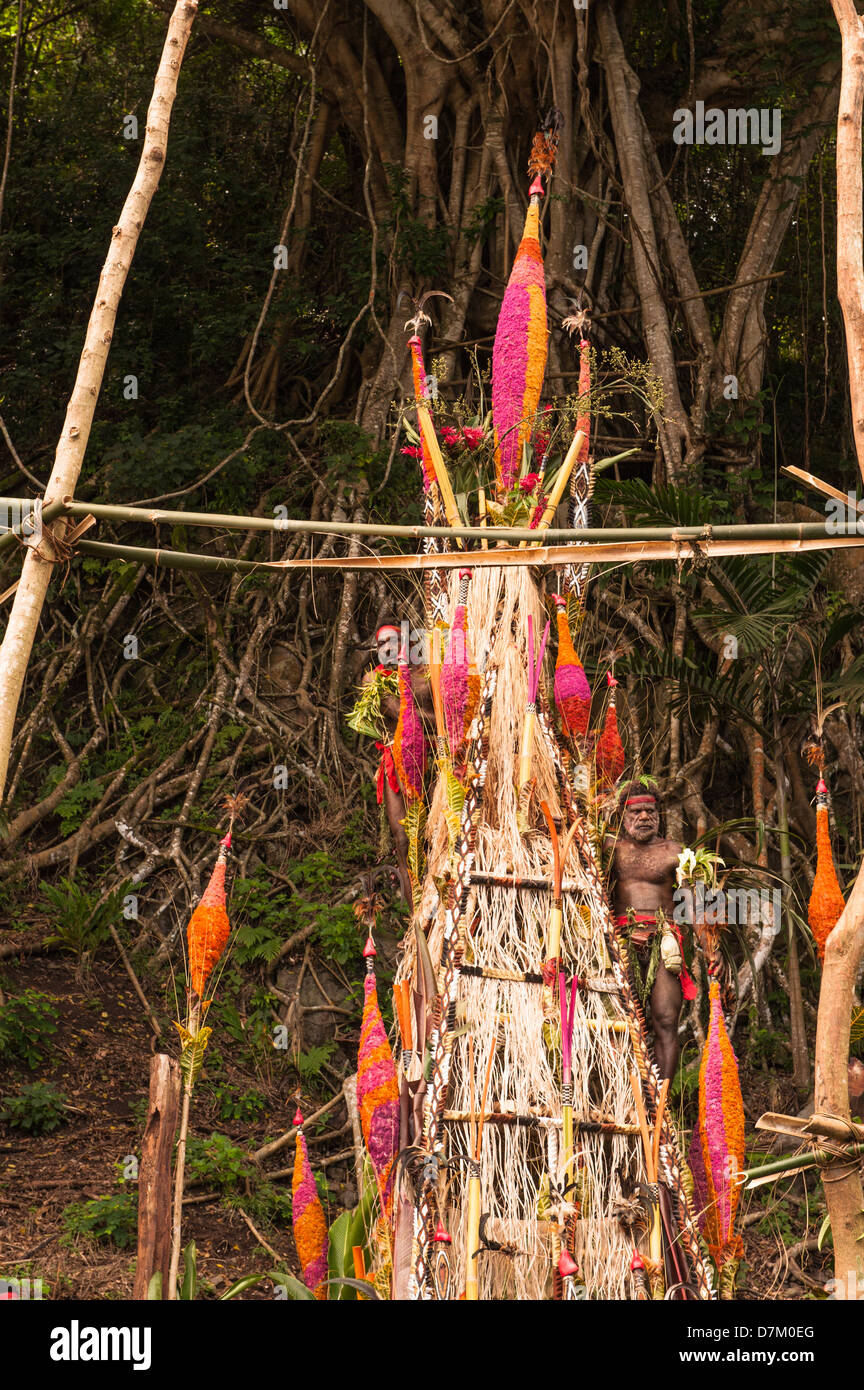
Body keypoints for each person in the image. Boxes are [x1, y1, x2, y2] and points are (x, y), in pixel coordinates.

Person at [605, 784, 696, 1079]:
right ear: (623, 814)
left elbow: (693, 905)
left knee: (666, 1020)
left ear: (659, 814)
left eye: (650, 811)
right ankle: (626, 1099)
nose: (644, 816)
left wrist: (712, 950)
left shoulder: (676, 853)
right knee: (625, 1019)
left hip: (664, 942)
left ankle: (661, 1108)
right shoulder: (608, 849)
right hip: (621, 941)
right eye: (636, 811)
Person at [361, 623, 433, 901]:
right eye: (382, 645)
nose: (388, 648)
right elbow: (397, 712)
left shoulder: (424, 677)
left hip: (426, 759)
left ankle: (434, 898)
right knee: (402, 838)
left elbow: (433, 718)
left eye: (394, 642)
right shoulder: (373, 680)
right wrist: (414, 713)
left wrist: (417, 716)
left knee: (427, 831)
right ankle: (412, 909)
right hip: (394, 762)